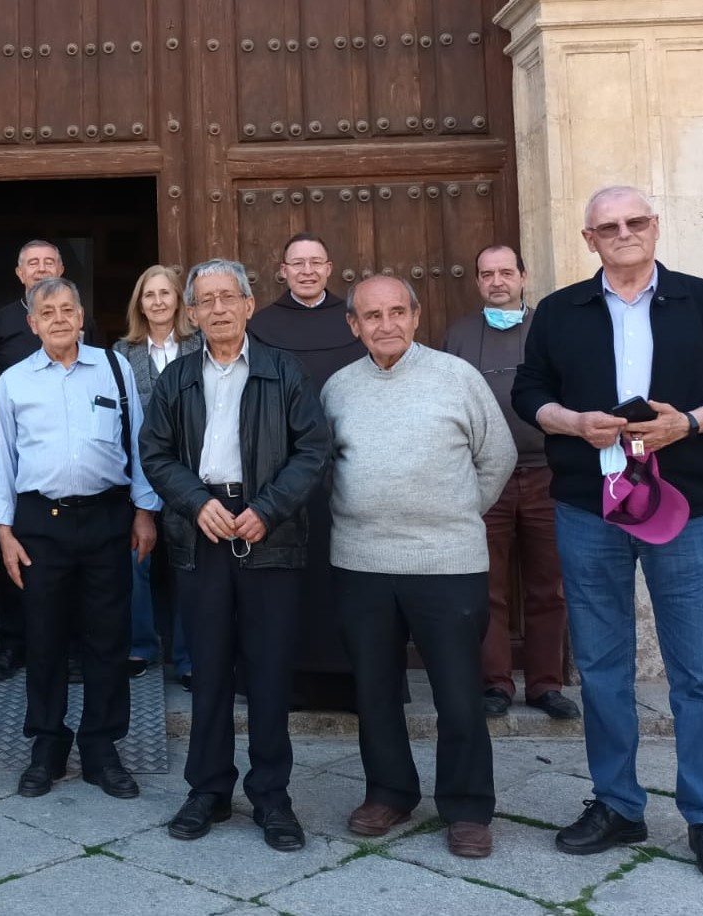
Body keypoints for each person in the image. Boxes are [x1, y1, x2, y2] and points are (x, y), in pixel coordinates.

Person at [513, 185, 703, 883]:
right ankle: (618, 804)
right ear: (588, 238)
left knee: (695, 673)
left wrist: (685, 423)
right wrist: (572, 422)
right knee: (600, 667)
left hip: (681, 508)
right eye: (607, 226)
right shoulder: (560, 311)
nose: (622, 232)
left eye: (635, 222)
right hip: (586, 507)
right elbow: (527, 392)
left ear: (654, 228)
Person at [322, 275, 516, 859]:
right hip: (361, 561)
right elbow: (325, 464)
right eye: (372, 316)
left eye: (397, 312)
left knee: (459, 694)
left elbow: (498, 455)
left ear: (416, 315)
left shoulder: (457, 378)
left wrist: (452, 514)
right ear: (353, 325)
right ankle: (389, 791)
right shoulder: (337, 389)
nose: (386, 325)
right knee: (376, 690)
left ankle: (467, 807)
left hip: (447, 562)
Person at [139, 259, 330, 849]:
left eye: (230, 297)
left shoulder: (283, 370)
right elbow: (156, 452)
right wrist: (195, 502)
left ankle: (272, 797)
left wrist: (268, 509)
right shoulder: (176, 379)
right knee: (210, 669)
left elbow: (312, 450)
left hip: (267, 530)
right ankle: (209, 791)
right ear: (191, 314)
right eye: (207, 300)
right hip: (203, 531)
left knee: (269, 671)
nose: (218, 308)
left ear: (249, 304)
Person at [0, 277, 160, 800]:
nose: (59, 318)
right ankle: (47, 746)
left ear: (82, 316)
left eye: (68, 309)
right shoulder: (13, 382)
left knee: (107, 639)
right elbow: (2, 460)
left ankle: (102, 750)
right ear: (32, 322)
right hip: (41, 525)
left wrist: (144, 513)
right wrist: (4, 532)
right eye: (48, 311)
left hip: (108, 519)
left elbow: (139, 442)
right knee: (44, 640)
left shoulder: (114, 367)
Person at [443, 246, 579, 721]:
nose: (497, 281)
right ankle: (495, 683)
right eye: (487, 274)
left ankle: (546, 684)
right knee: (488, 586)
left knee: (549, 586)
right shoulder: (458, 334)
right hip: (486, 478)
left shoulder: (554, 327)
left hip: (548, 474)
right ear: (477, 282)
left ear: (523, 276)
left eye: (506, 272)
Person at [246, 232, 366, 710]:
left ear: (331, 267)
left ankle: (351, 681)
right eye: (298, 263)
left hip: (348, 469)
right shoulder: (262, 324)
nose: (308, 271)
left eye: (316, 262)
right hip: (282, 475)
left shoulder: (355, 320)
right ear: (282, 270)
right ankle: (289, 681)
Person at [0, 240, 97, 682]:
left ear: (63, 269)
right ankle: (13, 645)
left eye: (50, 262)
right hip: (25, 469)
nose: (41, 269)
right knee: (16, 563)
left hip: (80, 475)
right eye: (33, 263)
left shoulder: (86, 327)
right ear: (19, 273)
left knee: (81, 576)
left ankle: (77, 650)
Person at [112, 264, 201, 686]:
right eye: (150, 294)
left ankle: (187, 657)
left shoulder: (199, 346)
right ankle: (140, 646)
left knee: (189, 564)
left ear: (179, 300)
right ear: (140, 303)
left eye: (166, 293)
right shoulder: (121, 353)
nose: (159, 301)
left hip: (193, 473)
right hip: (140, 472)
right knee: (136, 559)